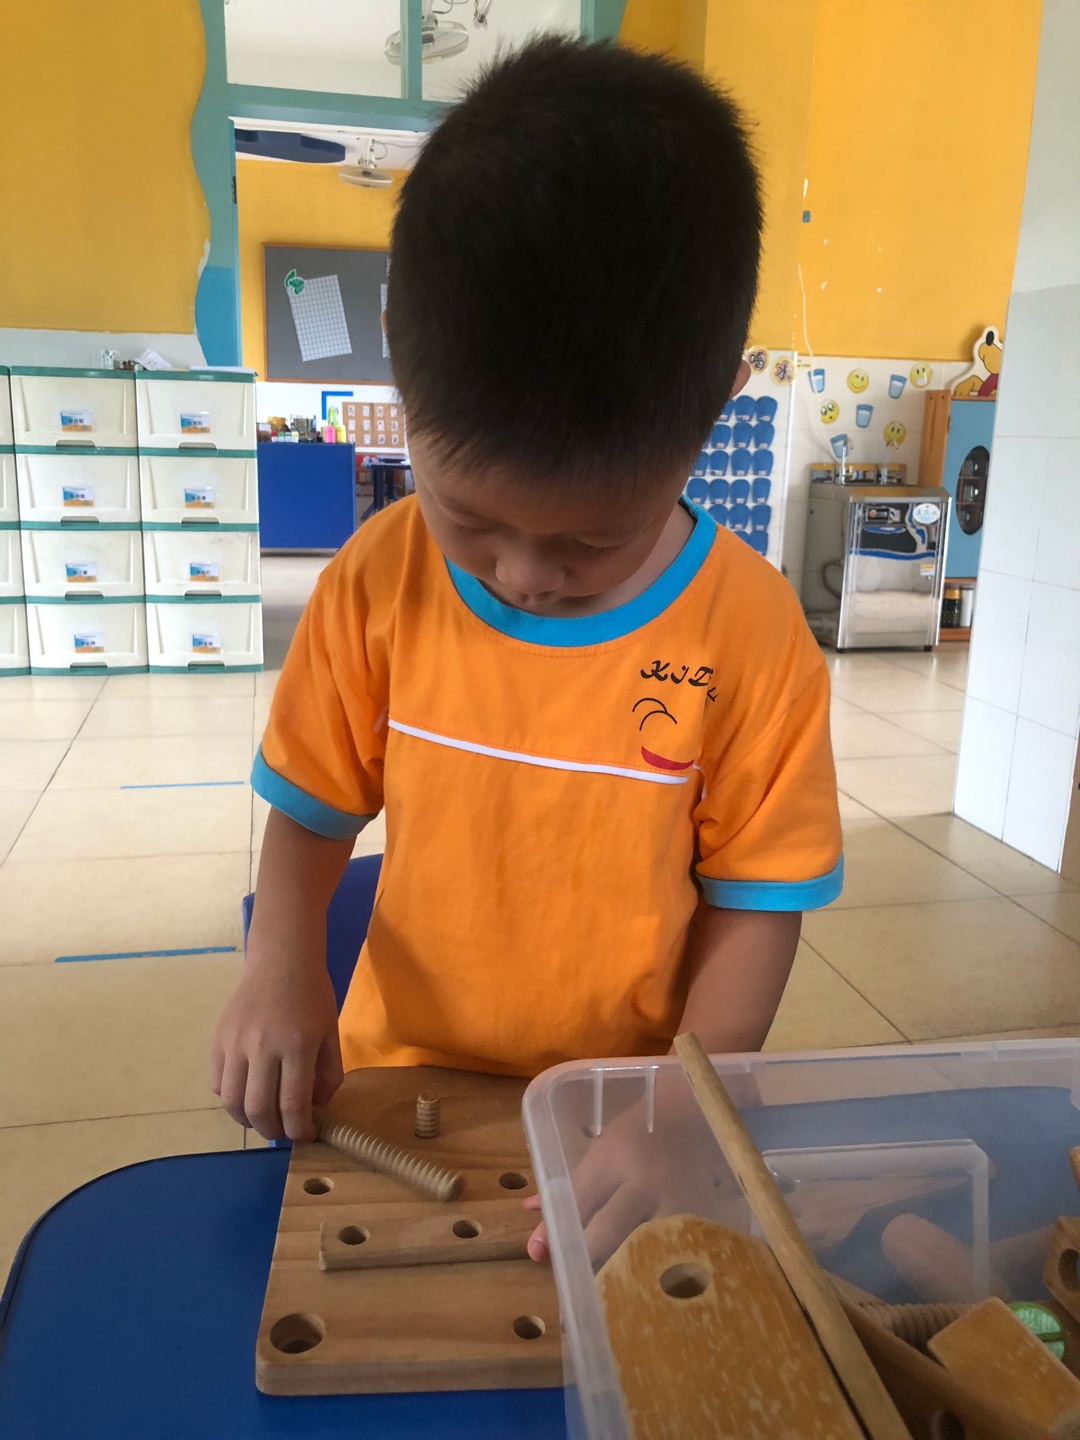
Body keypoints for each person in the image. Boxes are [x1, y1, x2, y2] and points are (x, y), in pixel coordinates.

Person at [212, 35, 842, 1262]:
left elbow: (758, 910)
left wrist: (684, 1112)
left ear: (715, 407)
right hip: (403, 1084)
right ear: (398, 361)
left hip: (629, 1103)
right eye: (471, 517)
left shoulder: (753, 635)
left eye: (595, 538)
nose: (525, 575)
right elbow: (310, 806)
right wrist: (278, 962)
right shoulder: (377, 580)